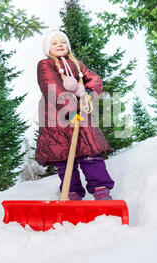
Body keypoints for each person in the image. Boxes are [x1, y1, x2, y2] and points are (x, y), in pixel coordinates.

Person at [35, 30, 115, 200]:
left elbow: (95, 79)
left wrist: (87, 91)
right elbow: (52, 86)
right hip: (57, 119)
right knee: (65, 159)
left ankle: (101, 191)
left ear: (68, 46)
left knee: (90, 154)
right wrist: (69, 109)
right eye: (54, 43)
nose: (59, 45)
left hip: (82, 117)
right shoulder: (45, 64)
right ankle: (71, 194)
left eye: (63, 42)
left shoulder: (77, 64)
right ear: (48, 48)